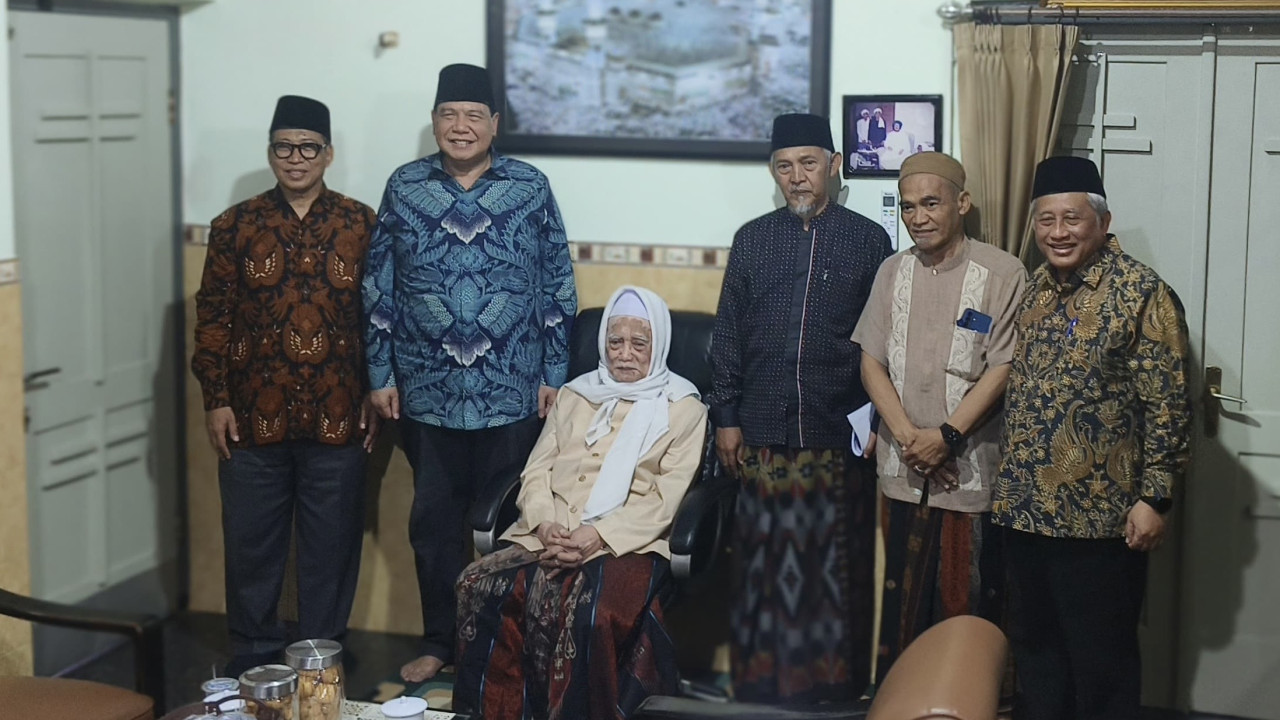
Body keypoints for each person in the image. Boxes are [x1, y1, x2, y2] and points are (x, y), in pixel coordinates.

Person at [362, 63, 578, 683]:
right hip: (425, 395)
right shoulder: (403, 186)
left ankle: (501, 645)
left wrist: (554, 374)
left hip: (512, 393)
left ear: (495, 125)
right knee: (433, 527)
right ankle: (441, 642)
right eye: (449, 115)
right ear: (434, 122)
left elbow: (557, 285)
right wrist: (381, 373)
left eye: (473, 116)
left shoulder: (531, 187)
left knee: (511, 524)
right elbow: (379, 287)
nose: (461, 127)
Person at [992, 156, 1192, 720]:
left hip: (1102, 520)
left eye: (1071, 219)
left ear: (1102, 223)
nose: (1058, 232)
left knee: (1101, 662)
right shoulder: (1033, 289)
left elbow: (1169, 402)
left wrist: (1156, 498)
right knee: (1036, 654)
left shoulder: (1140, 292)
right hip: (1026, 511)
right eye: (1045, 220)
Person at [452, 286, 707, 720]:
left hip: (627, 542)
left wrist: (597, 535)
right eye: (614, 342)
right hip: (548, 533)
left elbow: (668, 498)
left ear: (658, 345)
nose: (624, 354)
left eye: (638, 344)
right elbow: (536, 471)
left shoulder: (683, 409)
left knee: (588, 611)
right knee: (476, 584)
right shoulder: (575, 394)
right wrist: (546, 525)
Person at [192, 95, 378, 678]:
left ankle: (321, 664)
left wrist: (378, 391)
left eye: (308, 148)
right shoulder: (235, 225)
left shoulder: (360, 222)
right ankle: (252, 662)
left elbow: (383, 316)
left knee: (331, 551)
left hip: (340, 414)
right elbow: (213, 317)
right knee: (252, 548)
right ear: (270, 152)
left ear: (328, 154)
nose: (295, 159)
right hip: (252, 417)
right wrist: (216, 399)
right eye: (283, 147)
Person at [712, 113, 894, 702]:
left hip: (835, 429)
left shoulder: (869, 240)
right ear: (774, 172)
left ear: (834, 166)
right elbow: (728, 336)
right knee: (762, 565)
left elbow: (883, 340)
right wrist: (727, 418)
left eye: (809, 164)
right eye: (785, 167)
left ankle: (832, 692)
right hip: (760, 430)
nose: (798, 178)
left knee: (832, 567)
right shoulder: (752, 238)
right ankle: (760, 688)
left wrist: (877, 420)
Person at [851, 152, 1025, 682]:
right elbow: (870, 361)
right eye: (908, 206)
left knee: (965, 604)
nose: (919, 217)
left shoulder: (1002, 272)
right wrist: (908, 438)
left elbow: (1004, 367)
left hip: (968, 470)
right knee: (900, 604)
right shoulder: (891, 271)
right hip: (903, 470)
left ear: (962, 203)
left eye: (931, 203)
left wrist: (945, 437)